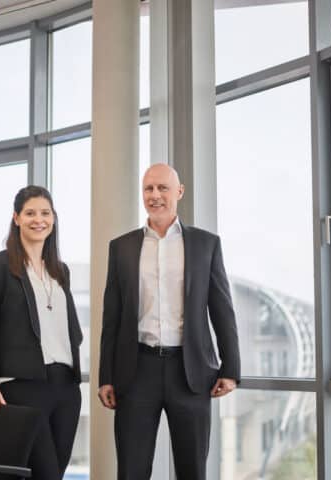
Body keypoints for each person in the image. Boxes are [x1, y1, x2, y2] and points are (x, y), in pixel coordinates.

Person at [98, 164, 241, 480]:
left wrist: (230, 369)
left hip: (190, 373)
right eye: (148, 189)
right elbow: (112, 317)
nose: (155, 196)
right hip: (136, 372)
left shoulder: (206, 244)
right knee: (131, 471)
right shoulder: (121, 247)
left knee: (192, 470)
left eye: (163, 188)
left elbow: (222, 310)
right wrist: (105, 376)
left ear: (179, 192)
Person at [0, 185, 83, 480]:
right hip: (22, 387)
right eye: (30, 213)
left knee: (53, 474)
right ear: (16, 218)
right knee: (42, 474)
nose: (39, 220)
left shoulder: (60, 270)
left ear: (54, 218)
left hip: (66, 389)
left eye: (45, 213)